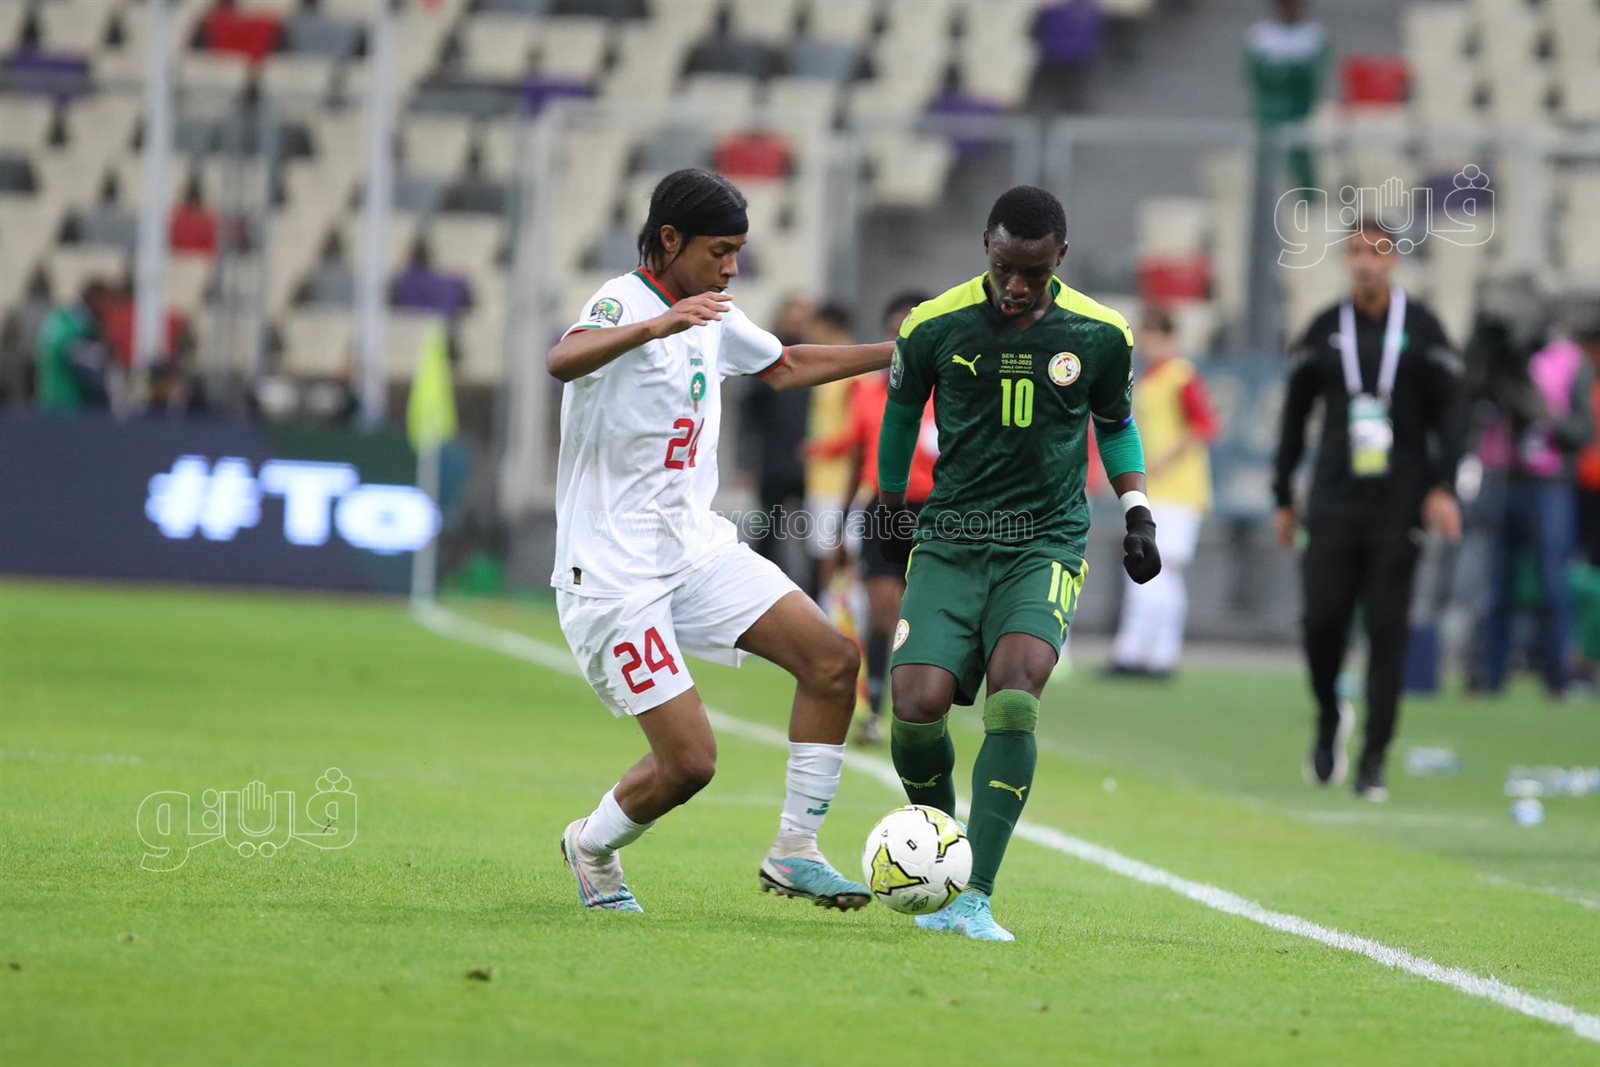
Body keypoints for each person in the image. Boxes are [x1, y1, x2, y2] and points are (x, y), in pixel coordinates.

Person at [548, 168, 894, 914]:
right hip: (613, 572)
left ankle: (796, 851)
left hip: (695, 550)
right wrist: (655, 326)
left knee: (833, 661)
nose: (732, 267)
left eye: (738, 251)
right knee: (690, 764)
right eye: (720, 250)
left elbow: (786, 366)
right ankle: (591, 846)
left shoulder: (713, 313)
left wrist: (895, 353)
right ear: (670, 240)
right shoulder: (623, 301)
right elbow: (563, 357)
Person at [877, 186, 1161, 941]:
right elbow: (901, 416)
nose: (1016, 285)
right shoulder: (933, 324)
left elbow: (1117, 424)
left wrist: (1138, 511)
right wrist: (888, 504)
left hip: (1045, 540)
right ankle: (938, 855)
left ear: (1060, 257)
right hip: (951, 537)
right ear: (986, 246)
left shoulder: (1100, 334)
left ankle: (976, 893)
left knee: (1014, 693)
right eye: (1005, 267)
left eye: (1034, 272)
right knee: (915, 703)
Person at [1273, 217, 1466, 802]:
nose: (1366, 262)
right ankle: (1330, 714)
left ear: (1394, 260)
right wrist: (1283, 495)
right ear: (1346, 259)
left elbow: (1453, 413)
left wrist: (1443, 486)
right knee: (1321, 622)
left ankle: (1374, 759)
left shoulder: (1424, 329)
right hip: (1333, 500)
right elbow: (1294, 415)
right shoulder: (1325, 328)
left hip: (1398, 504)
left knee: (1387, 630)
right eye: (1357, 251)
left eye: (1378, 252)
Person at [808, 291, 936, 745]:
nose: (903, 338)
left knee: (924, 613)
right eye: (896, 329)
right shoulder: (866, 392)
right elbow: (859, 455)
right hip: (882, 509)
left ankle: (923, 707)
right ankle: (877, 710)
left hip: (936, 511)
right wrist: (843, 522)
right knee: (883, 609)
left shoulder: (951, 392)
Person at [1476, 322, 1594, 699]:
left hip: (1550, 484)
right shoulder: (1510, 363)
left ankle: (1557, 678)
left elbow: (1584, 431)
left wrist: (1547, 418)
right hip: (1508, 478)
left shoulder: (1572, 363)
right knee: (1498, 585)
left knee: (1553, 582)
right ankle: (1491, 676)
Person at [1108, 307, 1220, 680]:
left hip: (1179, 491)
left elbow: (1204, 425)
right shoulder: (1149, 379)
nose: (1150, 343)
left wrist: (1164, 459)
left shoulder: (1181, 376)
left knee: (1162, 568)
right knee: (1145, 566)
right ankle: (1137, 651)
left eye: (1157, 335)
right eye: (1147, 335)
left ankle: (1159, 654)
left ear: (1170, 338)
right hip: (1155, 491)